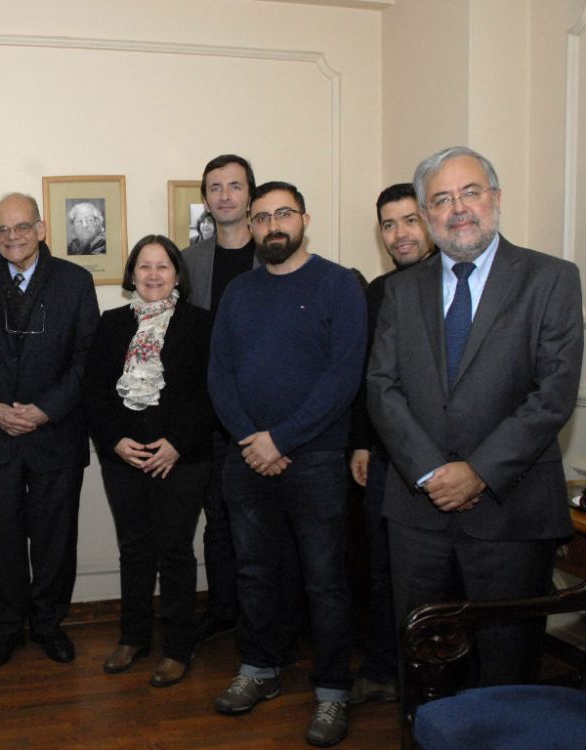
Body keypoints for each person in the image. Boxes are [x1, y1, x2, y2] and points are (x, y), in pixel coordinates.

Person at [367, 146, 583, 687]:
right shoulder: (400, 290)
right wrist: (429, 472)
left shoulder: (551, 278)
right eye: (441, 199)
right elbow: (382, 387)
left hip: (511, 514)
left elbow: (553, 395)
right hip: (419, 514)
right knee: (425, 668)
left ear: (496, 198)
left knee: (507, 669)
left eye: (470, 192)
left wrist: (478, 471)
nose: (458, 208)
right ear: (426, 212)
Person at [209, 181, 366, 747]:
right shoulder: (239, 293)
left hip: (316, 457)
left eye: (284, 213)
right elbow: (219, 374)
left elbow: (343, 377)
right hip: (245, 455)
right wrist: (253, 438)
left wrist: (283, 439)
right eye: (262, 217)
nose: (273, 224)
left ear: (305, 219)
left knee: (324, 580)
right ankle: (259, 669)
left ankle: (331, 693)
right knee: (252, 570)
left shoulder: (339, 284)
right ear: (250, 227)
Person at [0, 193, 99, 668]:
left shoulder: (76, 282)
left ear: (41, 229)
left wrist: (44, 411)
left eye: (21, 227)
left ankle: (49, 624)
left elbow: (85, 360)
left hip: (56, 435)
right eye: (1, 229)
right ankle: (7, 627)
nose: (11, 237)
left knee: (56, 542)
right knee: (3, 541)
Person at [83, 235, 214, 688]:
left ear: (178, 274)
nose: (153, 275)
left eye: (162, 266)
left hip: (182, 458)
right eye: (144, 266)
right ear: (132, 274)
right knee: (134, 551)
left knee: (175, 553)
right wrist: (115, 442)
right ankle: (133, 637)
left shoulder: (200, 324)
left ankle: (178, 648)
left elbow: (210, 394)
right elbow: (94, 392)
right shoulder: (112, 322)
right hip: (123, 459)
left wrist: (176, 442)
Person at [346, 183, 436, 705]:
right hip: (385, 456)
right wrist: (361, 442)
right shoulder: (378, 291)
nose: (399, 234)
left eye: (409, 221)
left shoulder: (456, 284)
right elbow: (368, 378)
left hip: (450, 460)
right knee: (383, 570)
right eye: (388, 224)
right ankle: (382, 667)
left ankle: (435, 678)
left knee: (441, 576)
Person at [181, 154, 259, 649]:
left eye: (235, 185)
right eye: (216, 187)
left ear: (250, 193)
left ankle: (263, 614)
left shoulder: (273, 252)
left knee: (261, 523)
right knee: (217, 520)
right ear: (206, 199)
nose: (226, 194)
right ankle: (224, 608)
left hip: (263, 414)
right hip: (206, 412)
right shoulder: (190, 261)